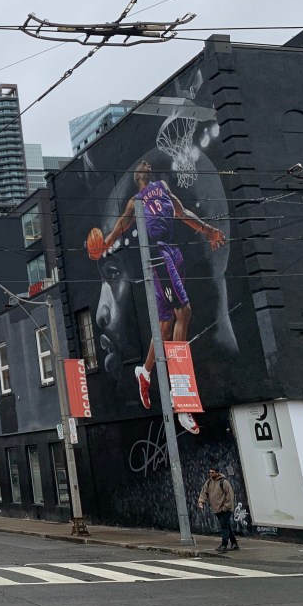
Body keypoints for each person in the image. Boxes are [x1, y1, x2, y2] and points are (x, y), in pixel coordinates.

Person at [94, 159, 225, 435]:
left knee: (164, 326)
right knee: (184, 313)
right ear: (137, 176)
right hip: (157, 255)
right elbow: (120, 226)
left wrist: (208, 230)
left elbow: (182, 212)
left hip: (172, 253)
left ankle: (144, 371)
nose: (145, 163)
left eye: (146, 163)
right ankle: (182, 397)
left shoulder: (162, 186)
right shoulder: (135, 202)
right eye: (141, 165)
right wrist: (104, 243)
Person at [198, 466, 238, 552]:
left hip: (225, 509)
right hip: (216, 509)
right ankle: (234, 543)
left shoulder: (224, 482)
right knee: (227, 526)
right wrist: (201, 502)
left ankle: (224, 544)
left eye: (212, 472)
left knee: (224, 526)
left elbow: (230, 496)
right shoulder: (209, 482)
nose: (210, 474)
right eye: (210, 472)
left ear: (217, 473)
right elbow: (204, 492)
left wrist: (225, 507)